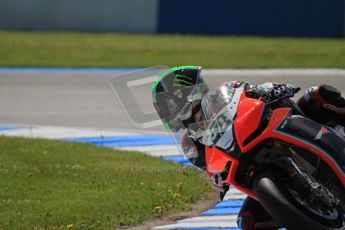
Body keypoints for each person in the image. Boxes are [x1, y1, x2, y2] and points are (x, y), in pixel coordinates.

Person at [151, 66, 345, 230]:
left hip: (277, 125)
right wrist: (218, 179)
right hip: (251, 164)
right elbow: (212, 169)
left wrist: (271, 90)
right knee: (249, 221)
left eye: (165, 104)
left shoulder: (225, 91)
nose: (165, 111)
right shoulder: (190, 144)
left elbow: (253, 91)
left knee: (316, 95)